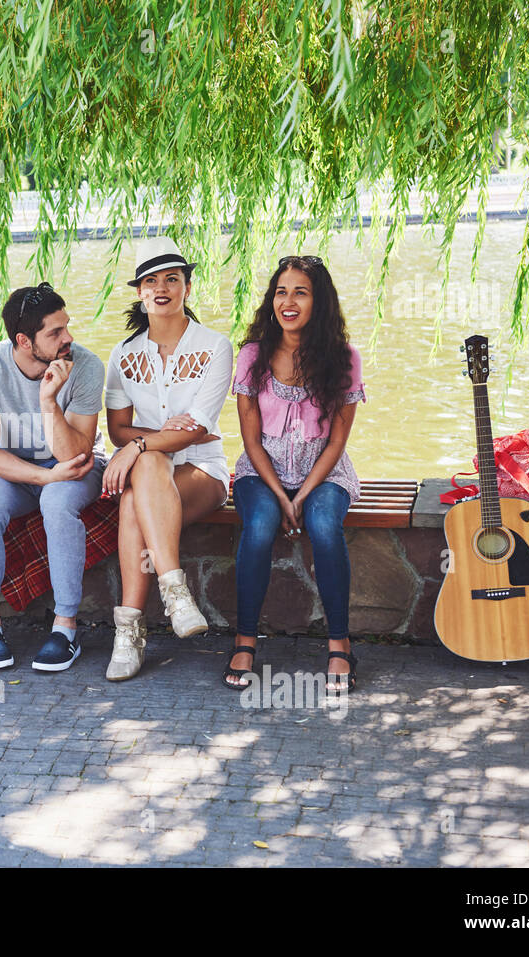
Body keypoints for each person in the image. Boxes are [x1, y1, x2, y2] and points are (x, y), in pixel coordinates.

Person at [225, 255, 365, 692]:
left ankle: (339, 645)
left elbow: (338, 441)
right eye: (281, 292)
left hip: (324, 472)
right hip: (260, 470)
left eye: (300, 292)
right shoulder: (253, 356)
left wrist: (302, 495)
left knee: (324, 526)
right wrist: (281, 498)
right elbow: (250, 441)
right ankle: (245, 640)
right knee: (261, 523)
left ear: (318, 301)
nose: (288, 301)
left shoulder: (344, 359)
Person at [102, 237, 234, 681]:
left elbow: (195, 431)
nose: (162, 288)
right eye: (151, 281)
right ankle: (174, 594)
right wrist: (152, 442)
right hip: (153, 471)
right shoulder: (123, 355)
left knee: (141, 475)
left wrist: (140, 445)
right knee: (143, 479)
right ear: (139, 292)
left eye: (172, 279)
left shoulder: (216, 346)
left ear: (187, 287)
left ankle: (131, 632)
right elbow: (116, 429)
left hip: (203, 471)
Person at [0, 283, 106, 671]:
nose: (68, 338)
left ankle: (65, 628)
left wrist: (48, 402)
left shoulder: (87, 366)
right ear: (24, 341)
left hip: (74, 467)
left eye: (67, 326)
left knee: (58, 502)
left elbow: (74, 455)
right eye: (55, 333)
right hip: (11, 470)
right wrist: (43, 478)